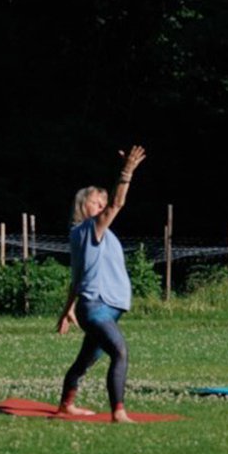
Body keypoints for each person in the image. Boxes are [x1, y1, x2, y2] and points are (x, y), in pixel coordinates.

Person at [55, 145, 147, 423]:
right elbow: (118, 203)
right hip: (97, 308)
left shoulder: (91, 234)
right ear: (85, 207)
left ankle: (65, 405)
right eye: (98, 202)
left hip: (101, 307)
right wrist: (127, 172)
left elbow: (77, 277)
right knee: (120, 351)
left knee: (86, 359)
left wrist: (67, 311)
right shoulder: (88, 229)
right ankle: (118, 411)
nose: (104, 206)